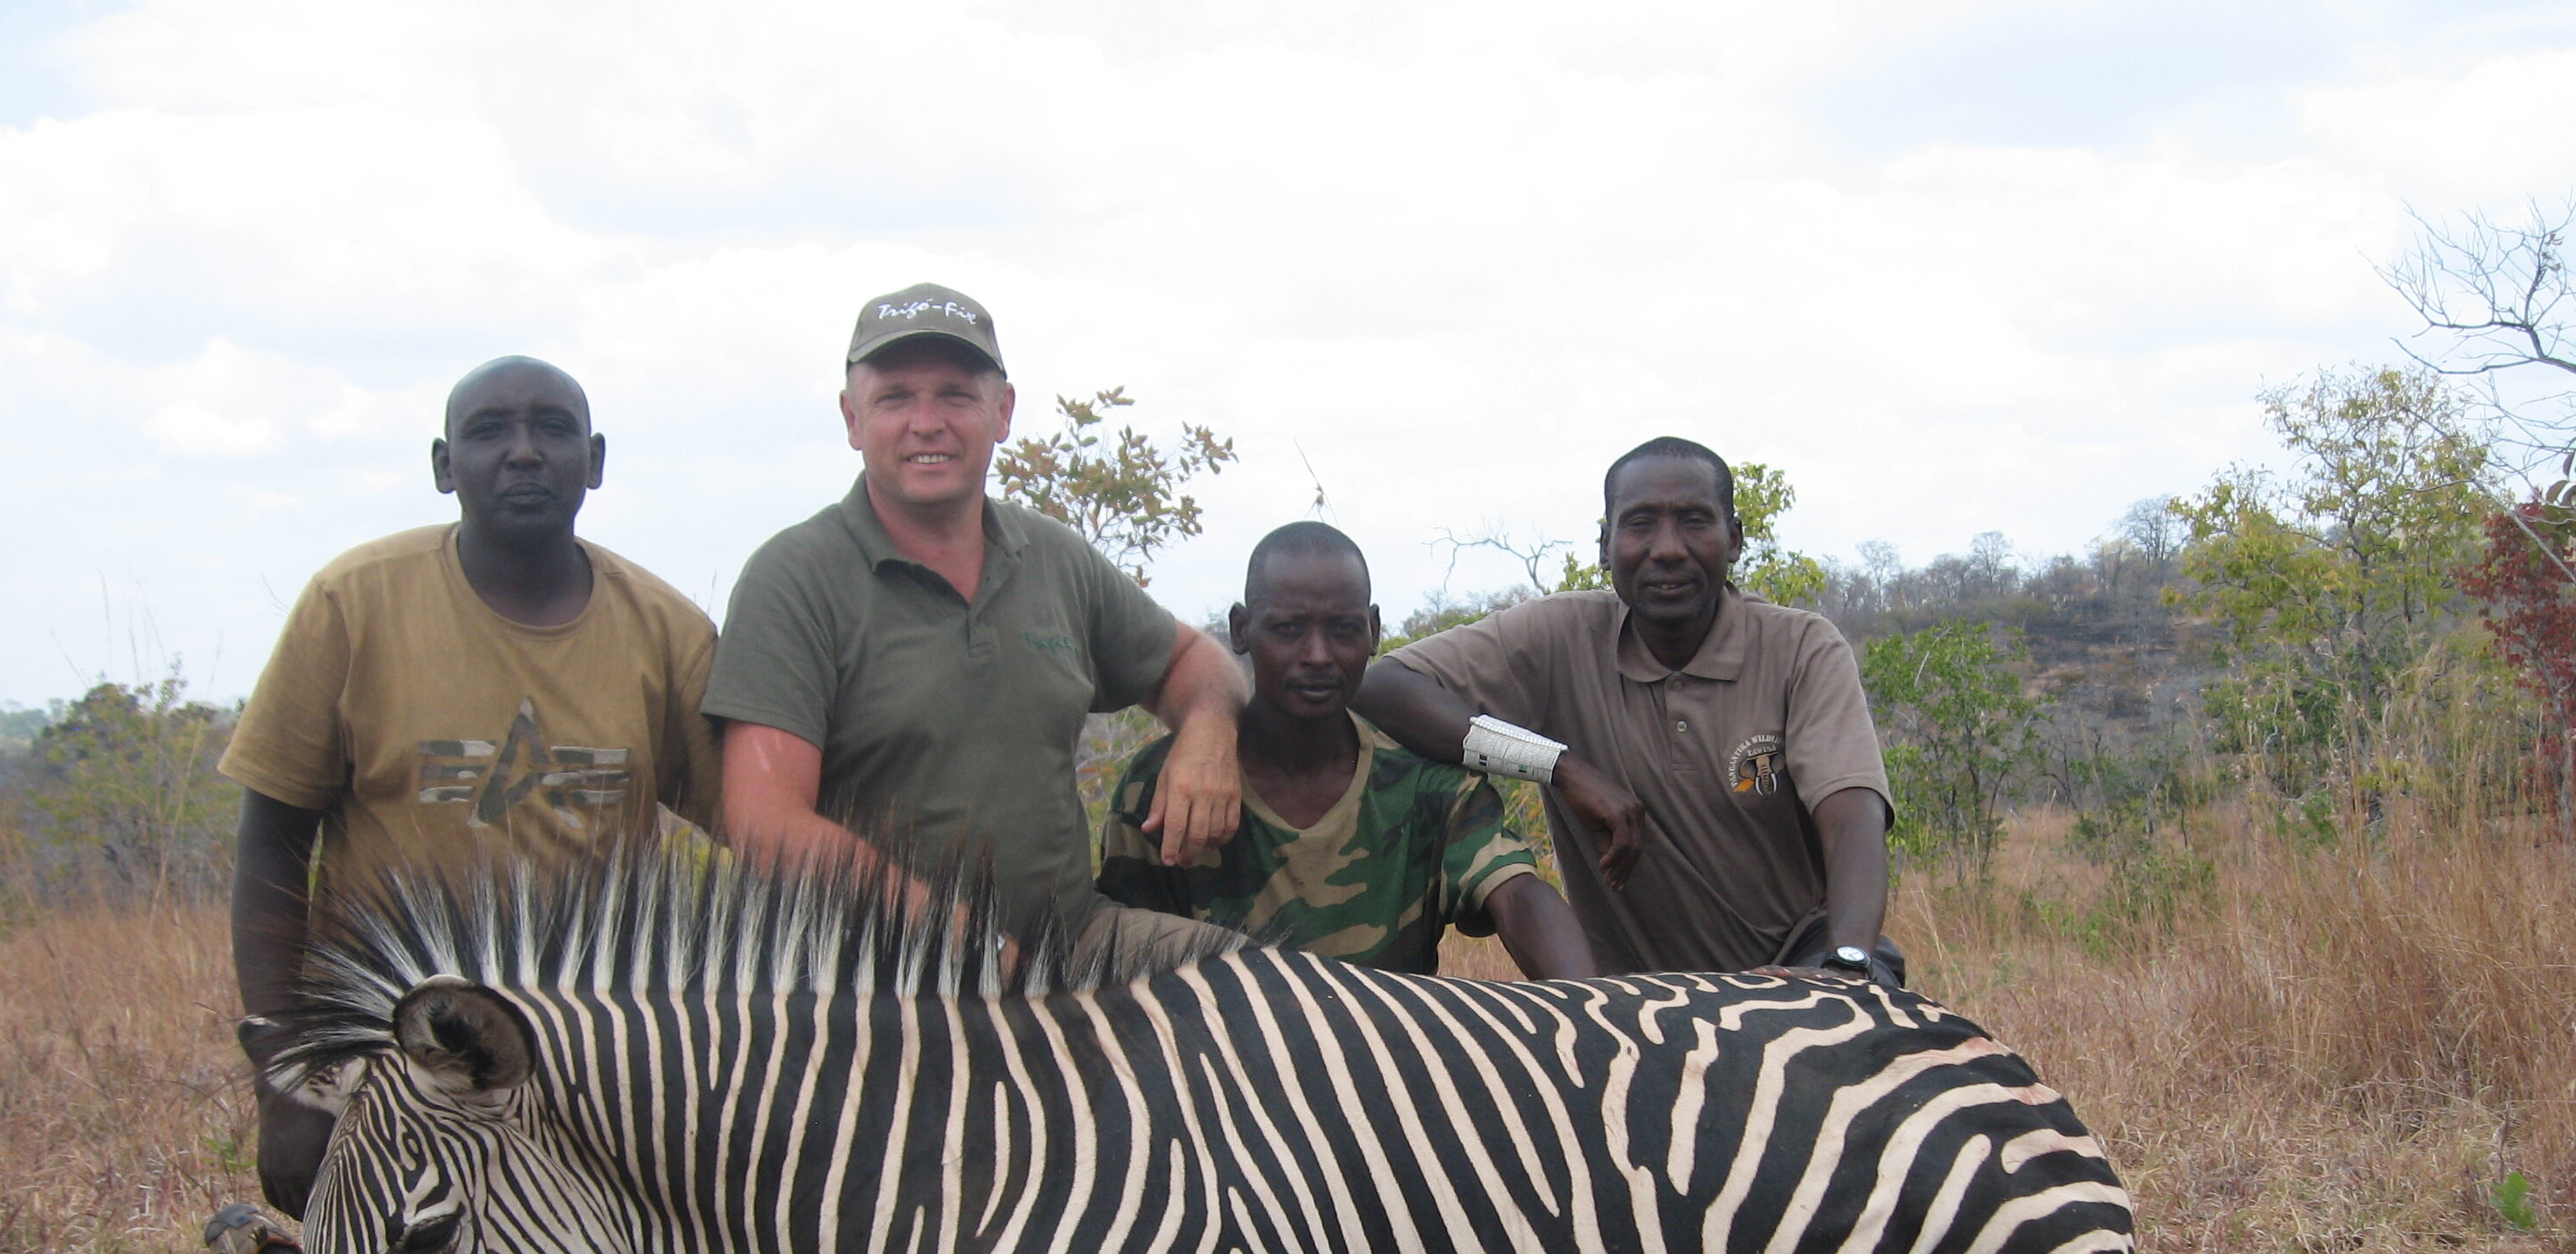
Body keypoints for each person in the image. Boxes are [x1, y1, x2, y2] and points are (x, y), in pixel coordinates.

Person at [204, 356, 723, 1254]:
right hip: (395, 1056)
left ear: (595, 462)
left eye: (551, 429)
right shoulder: (351, 604)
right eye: (490, 431)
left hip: (593, 1058)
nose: (522, 451)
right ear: (446, 465)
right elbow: (272, 839)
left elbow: (757, 830)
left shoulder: (667, 631)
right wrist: (288, 1074)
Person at [703, 284, 1243, 971]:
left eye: (955, 395)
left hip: (1073, 944)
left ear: (1002, 412)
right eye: (895, 397)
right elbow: (768, 827)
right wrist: (971, 949)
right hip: (871, 976)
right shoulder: (795, 577)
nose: (926, 423)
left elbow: (1196, 661)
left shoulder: (1052, 555)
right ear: (851, 418)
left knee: (1270, 996)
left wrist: (1208, 730)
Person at [1355, 435, 1900, 983]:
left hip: (1797, 967)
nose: (1667, 548)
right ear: (1605, 544)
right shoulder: (1559, 636)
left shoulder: (1802, 648)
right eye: (1641, 524)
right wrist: (1559, 766)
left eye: (1694, 521)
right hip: (1632, 997)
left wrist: (1847, 964)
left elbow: (1853, 817)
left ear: (1733, 539)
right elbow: (1382, 687)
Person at [1099, 522, 1593, 978]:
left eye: (1344, 631)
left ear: (1374, 631)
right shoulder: (1168, 781)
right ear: (1242, 629)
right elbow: (1119, 949)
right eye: (1289, 629)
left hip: (1385, 1061)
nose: (1318, 656)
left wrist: (1590, 1008)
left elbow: (1517, 894)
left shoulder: (1428, 782)